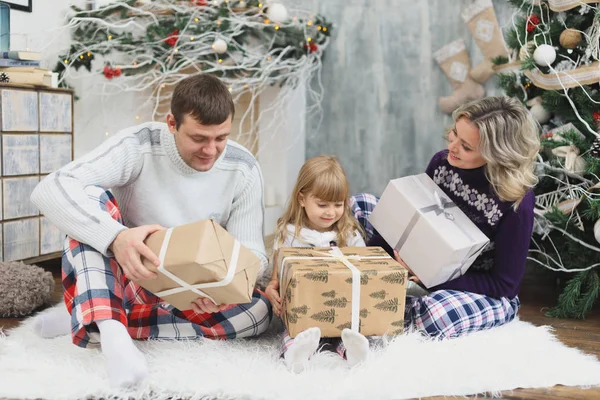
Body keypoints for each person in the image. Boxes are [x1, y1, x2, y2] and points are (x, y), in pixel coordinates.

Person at [30, 74, 272, 387]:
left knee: (259, 313)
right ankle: (113, 335)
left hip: (190, 292)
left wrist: (223, 289)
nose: (211, 150)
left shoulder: (243, 167)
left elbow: (253, 252)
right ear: (172, 123)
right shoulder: (138, 144)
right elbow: (51, 188)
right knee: (89, 198)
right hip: (128, 275)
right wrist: (116, 238)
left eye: (221, 138)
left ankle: (93, 314)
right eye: (199, 138)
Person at [351, 96, 539, 339]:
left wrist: (433, 281)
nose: (452, 147)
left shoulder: (516, 202)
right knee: (358, 203)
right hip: (422, 264)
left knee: (437, 315)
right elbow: (411, 219)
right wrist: (367, 259)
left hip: (479, 291)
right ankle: (385, 299)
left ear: (497, 155)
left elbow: (504, 285)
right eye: (454, 134)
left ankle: (397, 311)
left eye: (467, 147)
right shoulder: (443, 163)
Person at [265, 156, 369, 372]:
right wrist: (272, 292)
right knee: (295, 333)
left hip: (342, 308)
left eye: (338, 204)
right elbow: (275, 279)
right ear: (302, 199)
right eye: (322, 205)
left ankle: (352, 353)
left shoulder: (348, 234)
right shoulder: (290, 234)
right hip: (304, 310)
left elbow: (364, 273)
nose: (331, 212)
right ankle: (297, 355)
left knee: (348, 333)